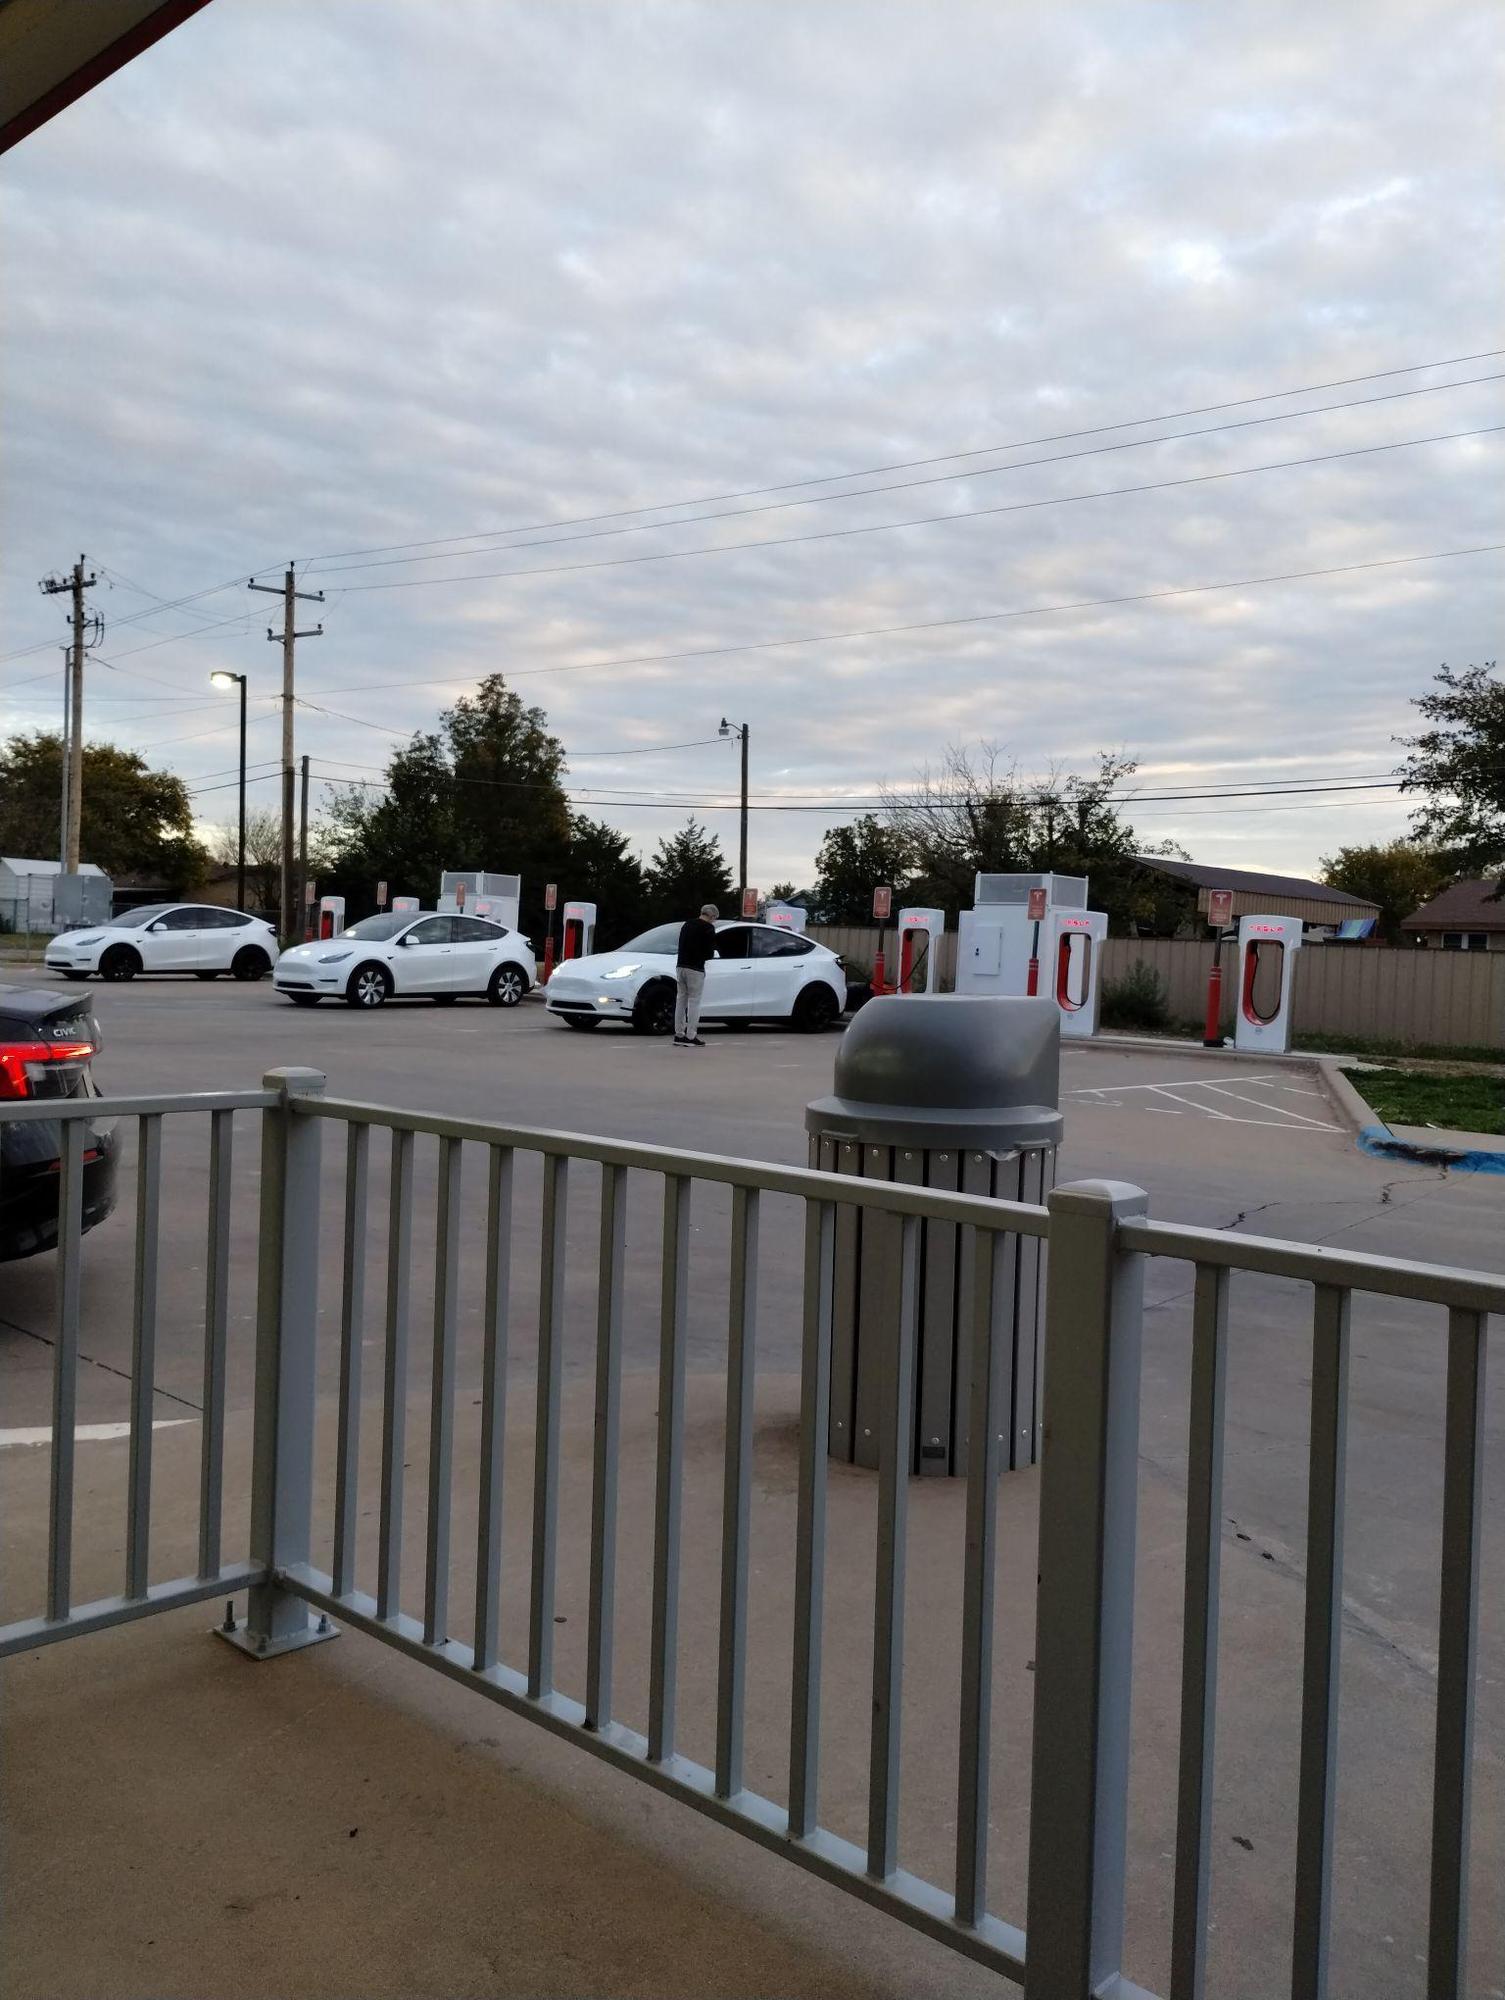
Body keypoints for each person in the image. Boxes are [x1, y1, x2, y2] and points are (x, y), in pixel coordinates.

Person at [674, 903, 719, 1046]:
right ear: (711, 916)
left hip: (681, 966)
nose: (714, 921)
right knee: (694, 1002)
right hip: (695, 968)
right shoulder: (708, 928)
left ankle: (678, 1034)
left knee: (680, 1000)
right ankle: (691, 1036)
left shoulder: (687, 924)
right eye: (715, 918)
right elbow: (708, 952)